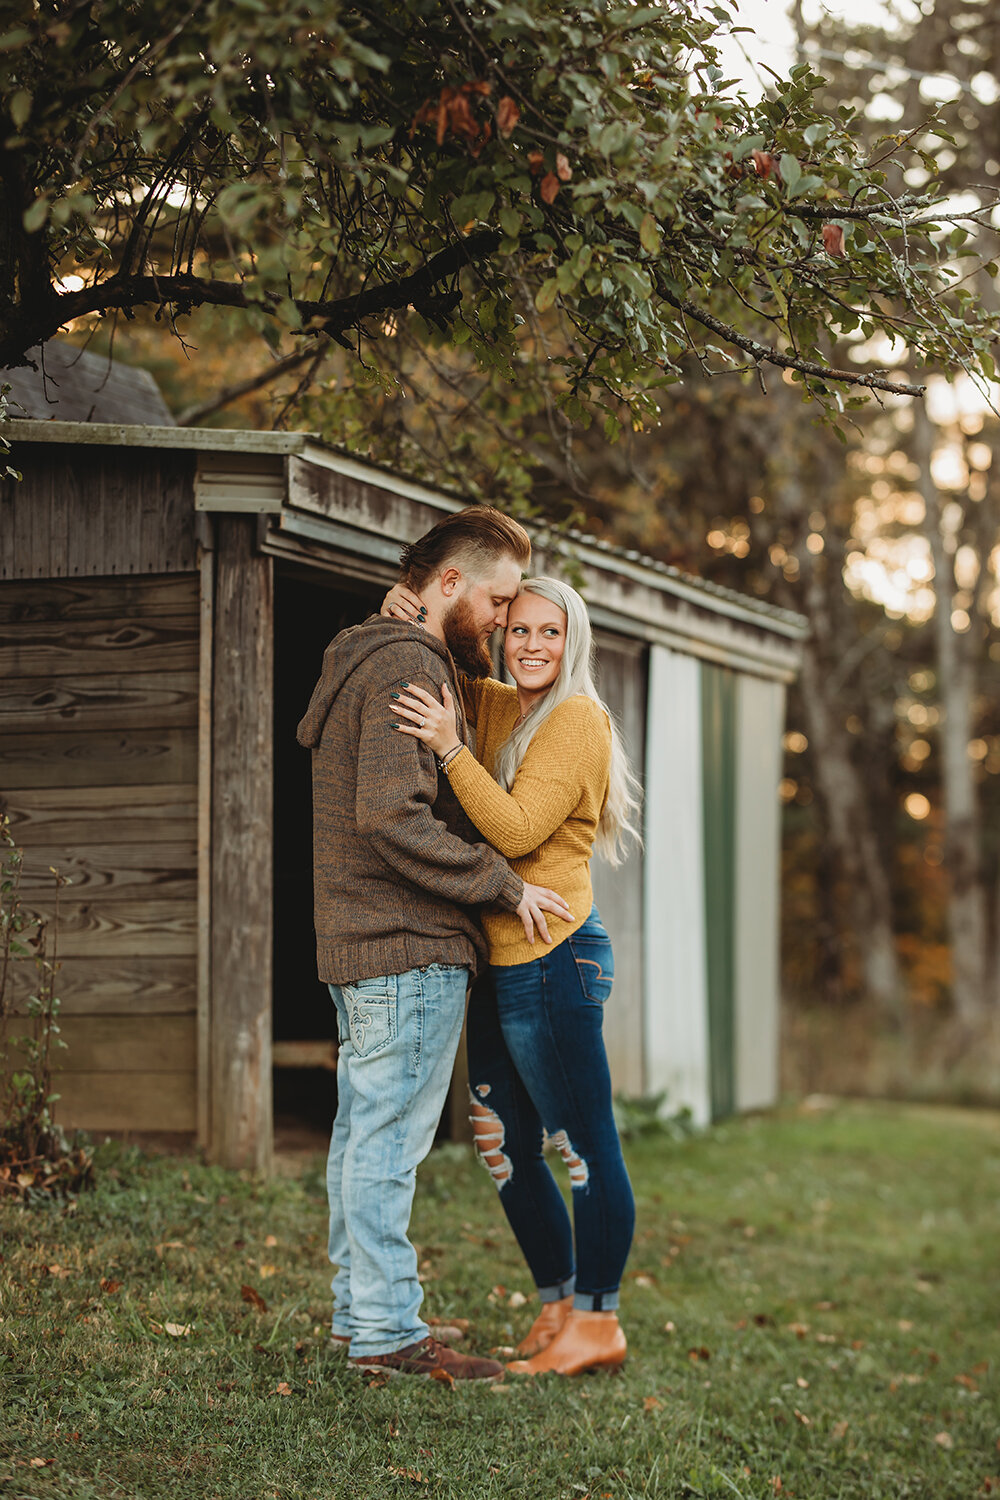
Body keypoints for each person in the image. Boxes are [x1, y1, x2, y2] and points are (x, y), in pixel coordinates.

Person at [296, 508, 574, 1383]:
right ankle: (385, 1333)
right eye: (496, 601)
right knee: (385, 1145)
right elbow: (392, 817)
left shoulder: (373, 650)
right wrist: (505, 882)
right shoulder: (409, 666)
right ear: (448, 582)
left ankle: (361, 1313)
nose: (503, 619)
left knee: (359, 1139)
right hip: (405, 944)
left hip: (362, 943)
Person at [382, 572, 641, 1376]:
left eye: (549, 633)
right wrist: (401, 610)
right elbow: (445, 660)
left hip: (557, 956)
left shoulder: (576, 718)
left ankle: (599, 1322)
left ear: (575, 642)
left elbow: (521, 828)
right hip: (503, 958)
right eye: (519, 629)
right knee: (502, 1144)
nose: (531, 645)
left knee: (582, 1144)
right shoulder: (503, 704)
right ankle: (558, 1303)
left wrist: (450, 750)